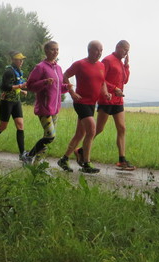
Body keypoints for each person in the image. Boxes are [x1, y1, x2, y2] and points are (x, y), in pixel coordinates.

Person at [75, 40, 135, 171]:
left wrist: (126, 66)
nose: (126, 53)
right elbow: (101, 80)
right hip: (106, 100)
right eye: (124, 49)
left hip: (118, 100)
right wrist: (114, 89)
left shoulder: (121, 63)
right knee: (98, 129)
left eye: (128, 51)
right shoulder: (108, 60)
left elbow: (125, 80)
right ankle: (81, 151)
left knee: (122, 128)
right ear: (118, 47)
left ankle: (122, 160)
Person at [58, 40, 110, 174]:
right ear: (89, 50)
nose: (99, 53)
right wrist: (72, 92)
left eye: (101, 50)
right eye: (96, 50)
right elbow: (65, 76)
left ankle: (64, 159)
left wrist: (105, 93)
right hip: (81, 102)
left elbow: (102, 82)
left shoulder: (101, 66)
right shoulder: (80, 64)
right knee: (91, 130)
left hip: (92, 103)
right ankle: (86, 163)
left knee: (80, 134)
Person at [24, 41, 69, 164]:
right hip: (44, 108)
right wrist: (44, 82)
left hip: (55, 109)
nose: (55, 52)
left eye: (57, 49)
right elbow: (30, 85)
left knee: (47, 137)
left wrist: (66, 87)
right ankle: (29, 155)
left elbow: (57, 89)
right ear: (46, 51)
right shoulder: (40, 67)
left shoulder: (58, 68)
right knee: (50, 136)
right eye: (53, 49)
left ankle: (37, 164)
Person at [0, 51, 28, 161]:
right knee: (3, 126)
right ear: (13, 60)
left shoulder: (19, 71)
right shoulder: (8, 71)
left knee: (20, 125)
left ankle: (22, 153)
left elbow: (15, 85)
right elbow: (5, 87)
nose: (21, 61)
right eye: (19, 59)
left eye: (22, 59)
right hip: (6, 102)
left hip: (16, 101)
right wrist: (20, 86)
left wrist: (21, 90)